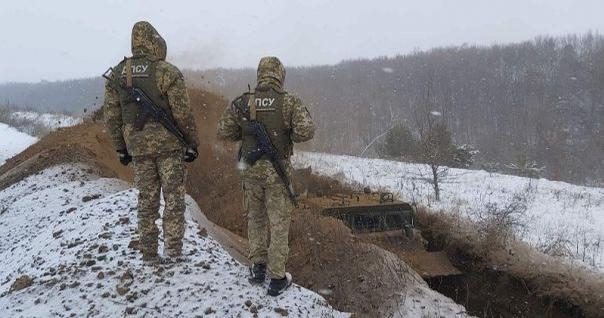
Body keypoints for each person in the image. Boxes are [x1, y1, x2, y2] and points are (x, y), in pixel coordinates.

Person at [217, 56, 315, 296]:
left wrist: (246, 129)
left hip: (250, 173)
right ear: (279, 75)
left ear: (260, 74)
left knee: (256, 219)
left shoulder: (244, 102)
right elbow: (306, 131)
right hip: (277, 176)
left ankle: (258, 267)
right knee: (279, 224)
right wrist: (286, 129)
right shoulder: (288, 102)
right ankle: (277, 278)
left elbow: (224, 131)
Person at [103, 21, 199, 263]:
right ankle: (174, 252)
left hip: (138, 149)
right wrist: (192, 142)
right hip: (169, 149)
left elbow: (112, 116)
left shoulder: (118, 74)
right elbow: (183, 113)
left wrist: (120, 148)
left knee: (147, 201)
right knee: (174, 200)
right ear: (154, 42)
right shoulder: (167, 71)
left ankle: (148, 253)